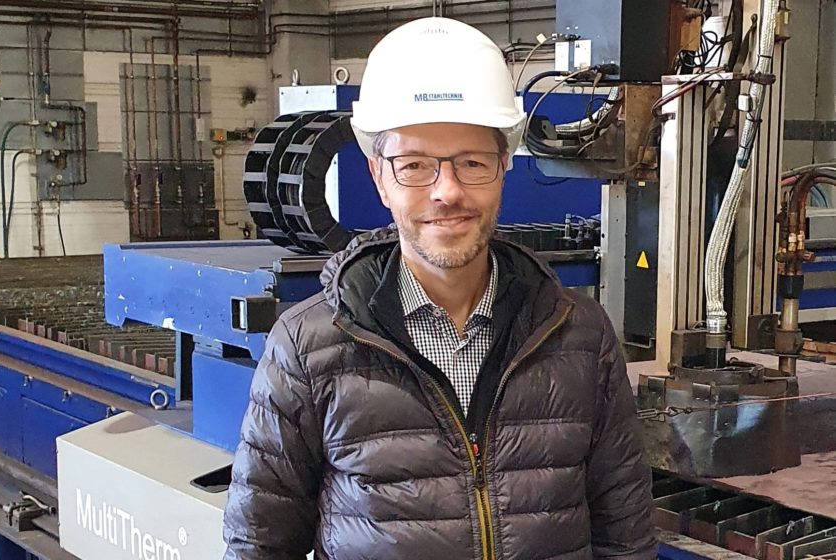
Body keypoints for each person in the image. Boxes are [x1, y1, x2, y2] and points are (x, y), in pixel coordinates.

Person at [223, 16, 656, 560]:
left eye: (471, 163)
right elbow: (259, 547)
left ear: (504, 167)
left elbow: (626, 539)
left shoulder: (580, 335)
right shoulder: (308, 348)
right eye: (415, 166)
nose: (446, 192)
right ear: (379, 177)